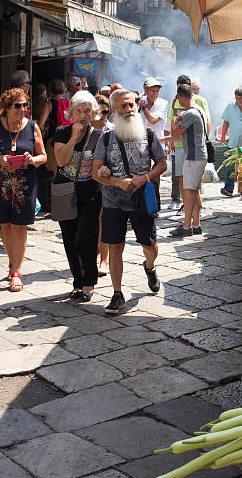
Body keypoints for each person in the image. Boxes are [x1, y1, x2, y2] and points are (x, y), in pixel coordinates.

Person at [92, 88, 166, 315]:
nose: (129, 109)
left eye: (132, 104)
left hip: (142, 201)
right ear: (114, 110)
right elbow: (95, 172)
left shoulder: (149, 135)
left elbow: (162, 164)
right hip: (113, 201)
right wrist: (115, 181)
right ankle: (117, 293)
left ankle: (149, 267)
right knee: (115, 246)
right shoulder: (105, 138)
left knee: (149, 246)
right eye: (123, 106)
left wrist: (144, 178)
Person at [0, 88, 46, 291]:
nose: (23, 109)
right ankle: (11, 262)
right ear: (6, 108)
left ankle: (16, 271)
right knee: (5, 225)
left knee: (20, 226)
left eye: (25, 105)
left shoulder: (32, 127)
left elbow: (44, 156)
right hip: (1, 182)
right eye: (17, 106)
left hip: (25, 183)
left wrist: (33, 160)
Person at [54, 91, 103, 301]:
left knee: (85, 239)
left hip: (91, 194)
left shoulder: (99, 136)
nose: (83, 115)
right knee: (70, 240)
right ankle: (77, 282)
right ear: (71, 112)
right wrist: (74, 137)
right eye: (79, 111)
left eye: (87, 111)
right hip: (65, 193)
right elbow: (60, 162)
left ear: (93, 113)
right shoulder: (61, 132)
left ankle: (89, 282)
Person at [166, 75, 210, 211]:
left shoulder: (199, 101)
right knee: (181, 176)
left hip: (194, 146)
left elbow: (207, 121)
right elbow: (172, 121)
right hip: (179, 145)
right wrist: (171, 142)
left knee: (194, 181)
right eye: (179, 86)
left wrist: (204, 139)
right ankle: (186, 205)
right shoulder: (174, 101)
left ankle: (197, 205)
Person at [92, 94, 113, 277]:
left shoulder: (113, 130)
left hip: (107, 181)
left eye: (106, 112)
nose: (102, 116)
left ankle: (104, 259)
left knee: (102, 219)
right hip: (86, 181)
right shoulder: (83, 130)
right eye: (99, 112)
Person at [39, 79, 71, 177]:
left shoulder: (49, 103)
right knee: (67, 167)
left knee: (54, 168)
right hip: (68, 139)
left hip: (53, 138)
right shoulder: (69, 103)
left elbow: (40, 124)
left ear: (50, 90)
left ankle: (55, 189)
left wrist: (43, 132)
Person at [31, 83, 51, 213]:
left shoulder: (34, 102)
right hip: (45, 137)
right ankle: (48, 203)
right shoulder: (47, 102)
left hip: (38, 137)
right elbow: (42, 123)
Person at [140, 77, 168, 144]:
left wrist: (143, 107)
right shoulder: (140, 100)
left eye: (157, 91)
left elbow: (153, 120)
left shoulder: (163, 103)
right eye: (152, 91)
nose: (155, 93)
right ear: (146, 90)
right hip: (141, 142)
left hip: (157, 143)